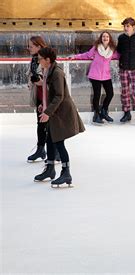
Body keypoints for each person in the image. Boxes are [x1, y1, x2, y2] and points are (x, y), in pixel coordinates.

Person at [33, 47, 85, 187]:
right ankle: (50, 169)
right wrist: (43, 105)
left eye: (40, 59)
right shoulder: (48, 71)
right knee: (50, 140)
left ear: (47, 60)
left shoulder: (56, 73)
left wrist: (48, 112)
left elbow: (59, 95)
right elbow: (50, 94)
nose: (39, 61)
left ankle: (66, 173)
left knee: (59, 143)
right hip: (55, 111)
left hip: (61, 112)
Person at [73, 31, 119, 125]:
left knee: (110, 93)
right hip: (95, 75)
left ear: (109, 39)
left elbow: (119, 56)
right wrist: (75, 56)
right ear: (101, 38)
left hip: (106, 75)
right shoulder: (96, 48)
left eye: (107, 36)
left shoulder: (112, 50)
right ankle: (96, 115)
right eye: (103, 36)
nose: (105, 38)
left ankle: (104, 111)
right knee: (97, 95)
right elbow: (87, 55)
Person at [26, 36, 50, 162]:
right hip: (40, 95)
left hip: (49, 96)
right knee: (41, 124)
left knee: (50, 125)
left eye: (31, 46)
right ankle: (41, 149)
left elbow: (47, 81)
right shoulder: (34, 59)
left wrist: (38, 81)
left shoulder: (46, 59)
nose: (28, 48)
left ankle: (55, 152)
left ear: (39, 47)